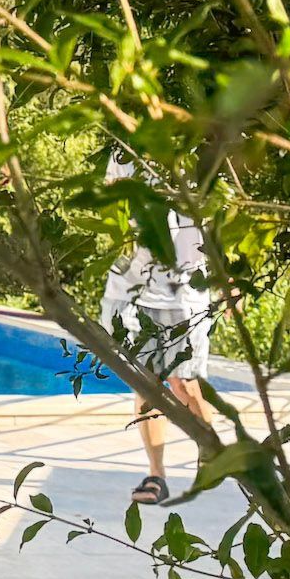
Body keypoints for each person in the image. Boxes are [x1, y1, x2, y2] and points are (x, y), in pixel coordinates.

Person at [100, 156, 215, 506]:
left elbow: (218, 223)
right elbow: (110, 210)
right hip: (133, 288)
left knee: (185, 385)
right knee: (147, 383)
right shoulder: (124, 154)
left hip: (185, 291)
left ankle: (210, 452)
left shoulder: (200, 153)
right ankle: (157, 473)